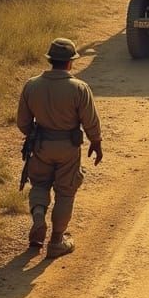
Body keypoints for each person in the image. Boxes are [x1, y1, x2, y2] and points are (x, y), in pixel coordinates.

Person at [17, 38, 103, 259]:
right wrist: (96, 141)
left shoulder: (32, 85)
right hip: (68, 148)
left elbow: (23, 123)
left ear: (50, 60)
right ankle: (56, 241)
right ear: (70, 63)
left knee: (39, 184)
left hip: (41, 146)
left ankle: (38, 217)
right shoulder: (79, 88)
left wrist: (35, 136)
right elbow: (90, 120)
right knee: (65, 190)